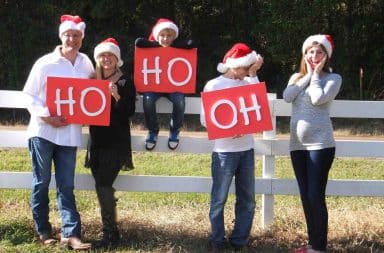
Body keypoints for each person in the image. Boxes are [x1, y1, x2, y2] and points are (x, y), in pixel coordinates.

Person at [22, 14, 94, 250]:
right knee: (41, 182)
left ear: (82, 38)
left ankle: (71, 234)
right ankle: (43, 230)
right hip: (43, 131)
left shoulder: (86, 63)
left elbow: (94, 92)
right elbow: (29, 94)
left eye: (76, 35)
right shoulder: (45, 63)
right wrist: (47, 116)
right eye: (68, 35)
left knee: (66, 184)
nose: (72, 39)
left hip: (70, 134)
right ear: (61, 36)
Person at [200, 43, 264, 253]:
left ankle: (239, 241)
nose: (247, 72)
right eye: (246, 68)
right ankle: (217, 241)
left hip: (246, 150)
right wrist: (228, 130)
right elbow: (205, 119)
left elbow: (257, 105)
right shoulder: (213, 85)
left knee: (247, 200)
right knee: (219, 199)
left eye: (249, 69)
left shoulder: (247, 82)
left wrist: (253, 73)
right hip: (224, 152)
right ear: (235, 65)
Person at [282, 34, 342, 253]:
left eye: (319, 52)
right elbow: (288, 96)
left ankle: (319, 246)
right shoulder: (296, 77)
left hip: (321, 145)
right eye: (310, 52)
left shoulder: (333, 79)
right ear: (304, 54)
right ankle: (311, 244)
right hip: (297, 145)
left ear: (326, 56)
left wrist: (315, 74)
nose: (314, 56)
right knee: (306, 196)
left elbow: (317, 98)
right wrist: (306, 76)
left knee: (316, 195)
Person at [85, 37, 136, 248]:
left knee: (103, 184)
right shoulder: (91, 81)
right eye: (103, 55)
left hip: (116, 142)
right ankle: (111, 232)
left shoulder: (125, 81)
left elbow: (128, 112)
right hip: (96, 141)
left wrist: (115, 95)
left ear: (117, 59)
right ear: (98, 59)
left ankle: (110, 235)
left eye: (110, 56)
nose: (106, 59)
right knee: (101, 186)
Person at [135, 18, 194, 150]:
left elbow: (190, 44)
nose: (165, 39)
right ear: (157, 36)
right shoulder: (152, 47)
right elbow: (138, 42)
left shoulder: (176, 47)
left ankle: (174, 130)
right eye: (162, 35)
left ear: (174, 36)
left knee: (179, 100)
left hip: (172, 87)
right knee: (148, 100)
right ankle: (153, 130)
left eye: (169, 36)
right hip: (154, 86)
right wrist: (155, 45)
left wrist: (176, 46)